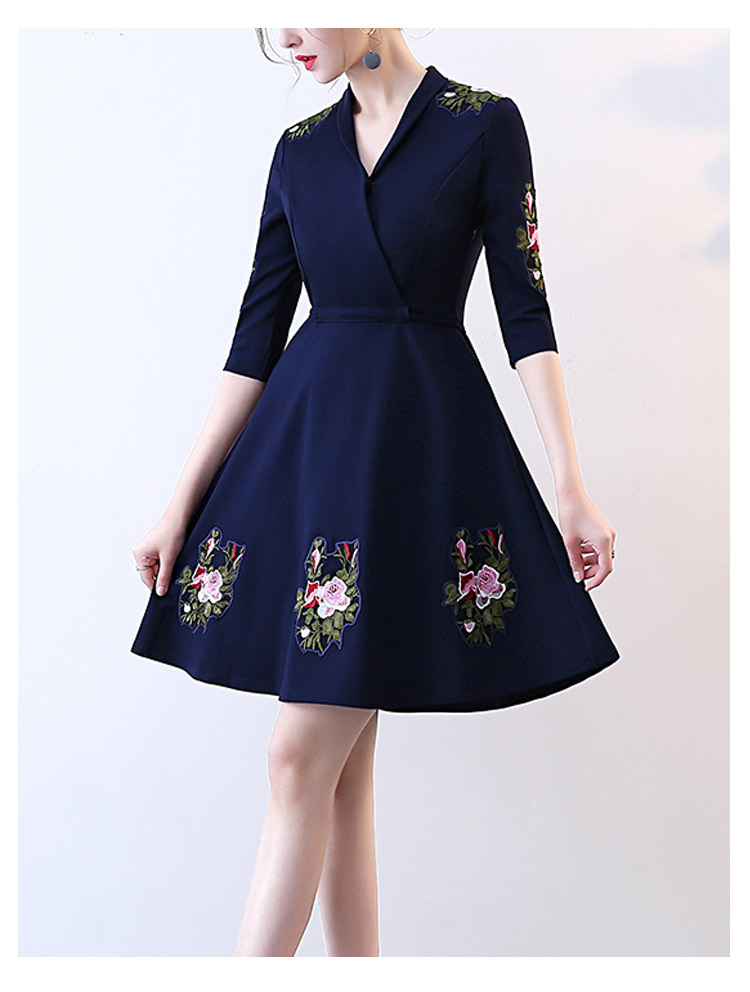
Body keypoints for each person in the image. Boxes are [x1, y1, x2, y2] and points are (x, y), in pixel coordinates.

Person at [130, 28, 620, 957]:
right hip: (312, 460)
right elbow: (253, 340)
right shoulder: (299, 151)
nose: (286, 35)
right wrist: (179, 502)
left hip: (415, 466)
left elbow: (526, 313)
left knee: (296, 757)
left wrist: (571, 486)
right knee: (339, 779)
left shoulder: (483, 125)